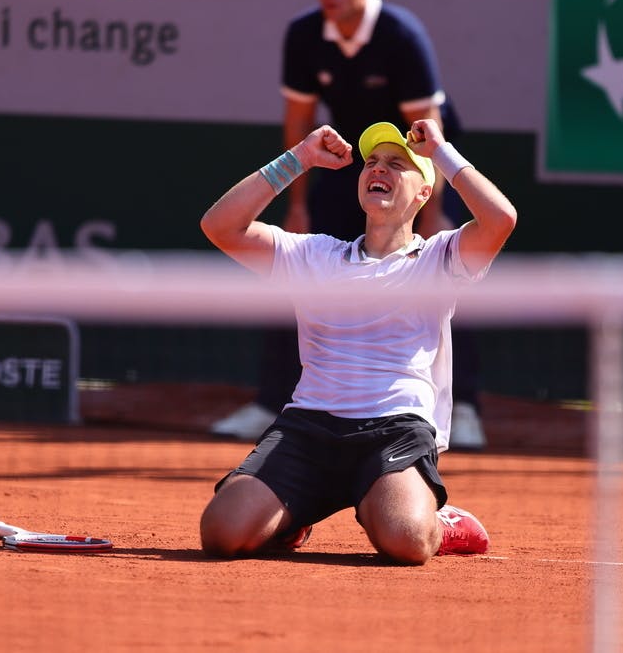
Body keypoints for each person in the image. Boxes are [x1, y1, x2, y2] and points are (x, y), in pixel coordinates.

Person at [198, 118, 517, 563]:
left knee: (405, 542)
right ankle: (293, 517)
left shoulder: (441, 257)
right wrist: (300, 158)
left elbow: (501, 218)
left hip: (394, 430)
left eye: (396, 164)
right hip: (307, 428)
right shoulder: (314, 254)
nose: (378, 169)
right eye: (371, 162)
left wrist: (440, 152)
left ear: (424, 192)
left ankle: (439, 525)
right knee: (221, 534)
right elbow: (220, 226)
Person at [210, 0, 487, 450]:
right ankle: (269, 401)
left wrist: (432, 210)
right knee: (296, 271)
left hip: (416, 161)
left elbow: (429, 124)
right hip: (352, 162)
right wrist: (298, 203)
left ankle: (466, 407)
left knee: (452, 269)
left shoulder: (401, 35)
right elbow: (298, 118)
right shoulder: (304, 33)